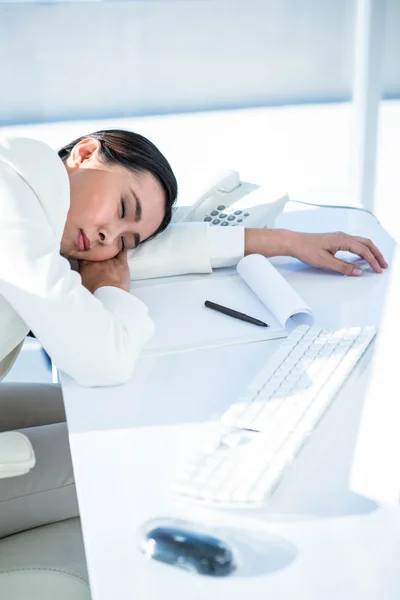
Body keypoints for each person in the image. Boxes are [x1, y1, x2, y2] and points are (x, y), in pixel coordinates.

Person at [0, 129, 388, 539]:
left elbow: (140, 255)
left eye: (123, 240)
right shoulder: (11, 191)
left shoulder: (37, 199)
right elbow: (103, 362)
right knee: (140, 453)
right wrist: (113, 292)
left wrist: (287, 241)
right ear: (85, 152)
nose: (107, 240)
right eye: (122, 208)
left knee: (95, 411)